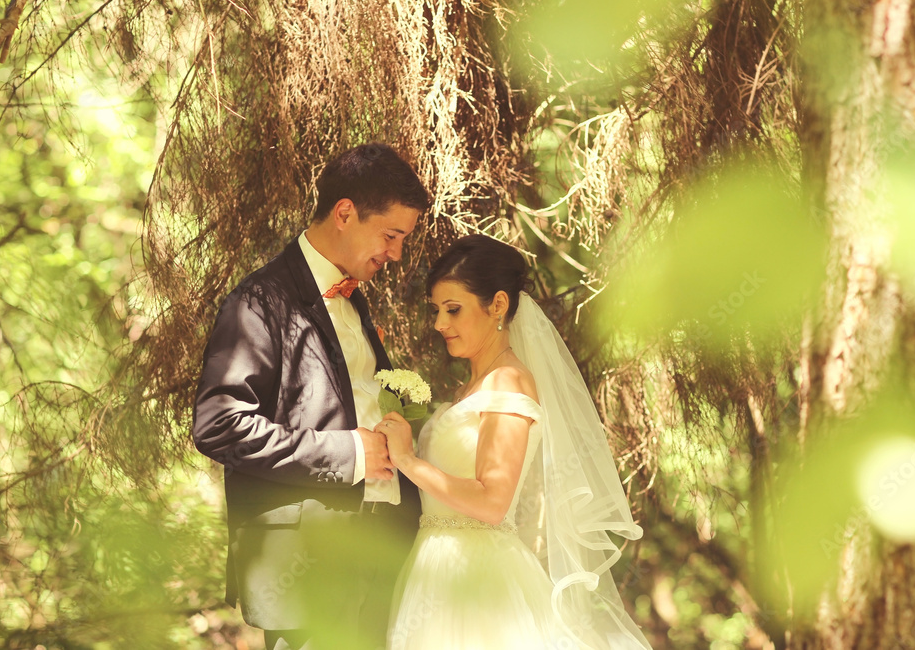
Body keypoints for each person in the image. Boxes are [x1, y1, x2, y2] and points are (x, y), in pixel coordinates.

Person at [193, 143, 429, 650]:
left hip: (385, 548)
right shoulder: (258, 301)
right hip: (308, 566)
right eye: (391, 236)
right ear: (344, 213)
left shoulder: (354, 300)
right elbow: (219, 424)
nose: (395, 254)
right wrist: (347, 453)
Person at [377, 234, 653, 649]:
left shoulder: (507, 381)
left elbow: (493, 502)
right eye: (436, 310)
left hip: (478, 579)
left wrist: (408, 460)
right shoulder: (471, 388)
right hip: (436, 568)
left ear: (498, 305)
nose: (439, 324)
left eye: (453, 309)